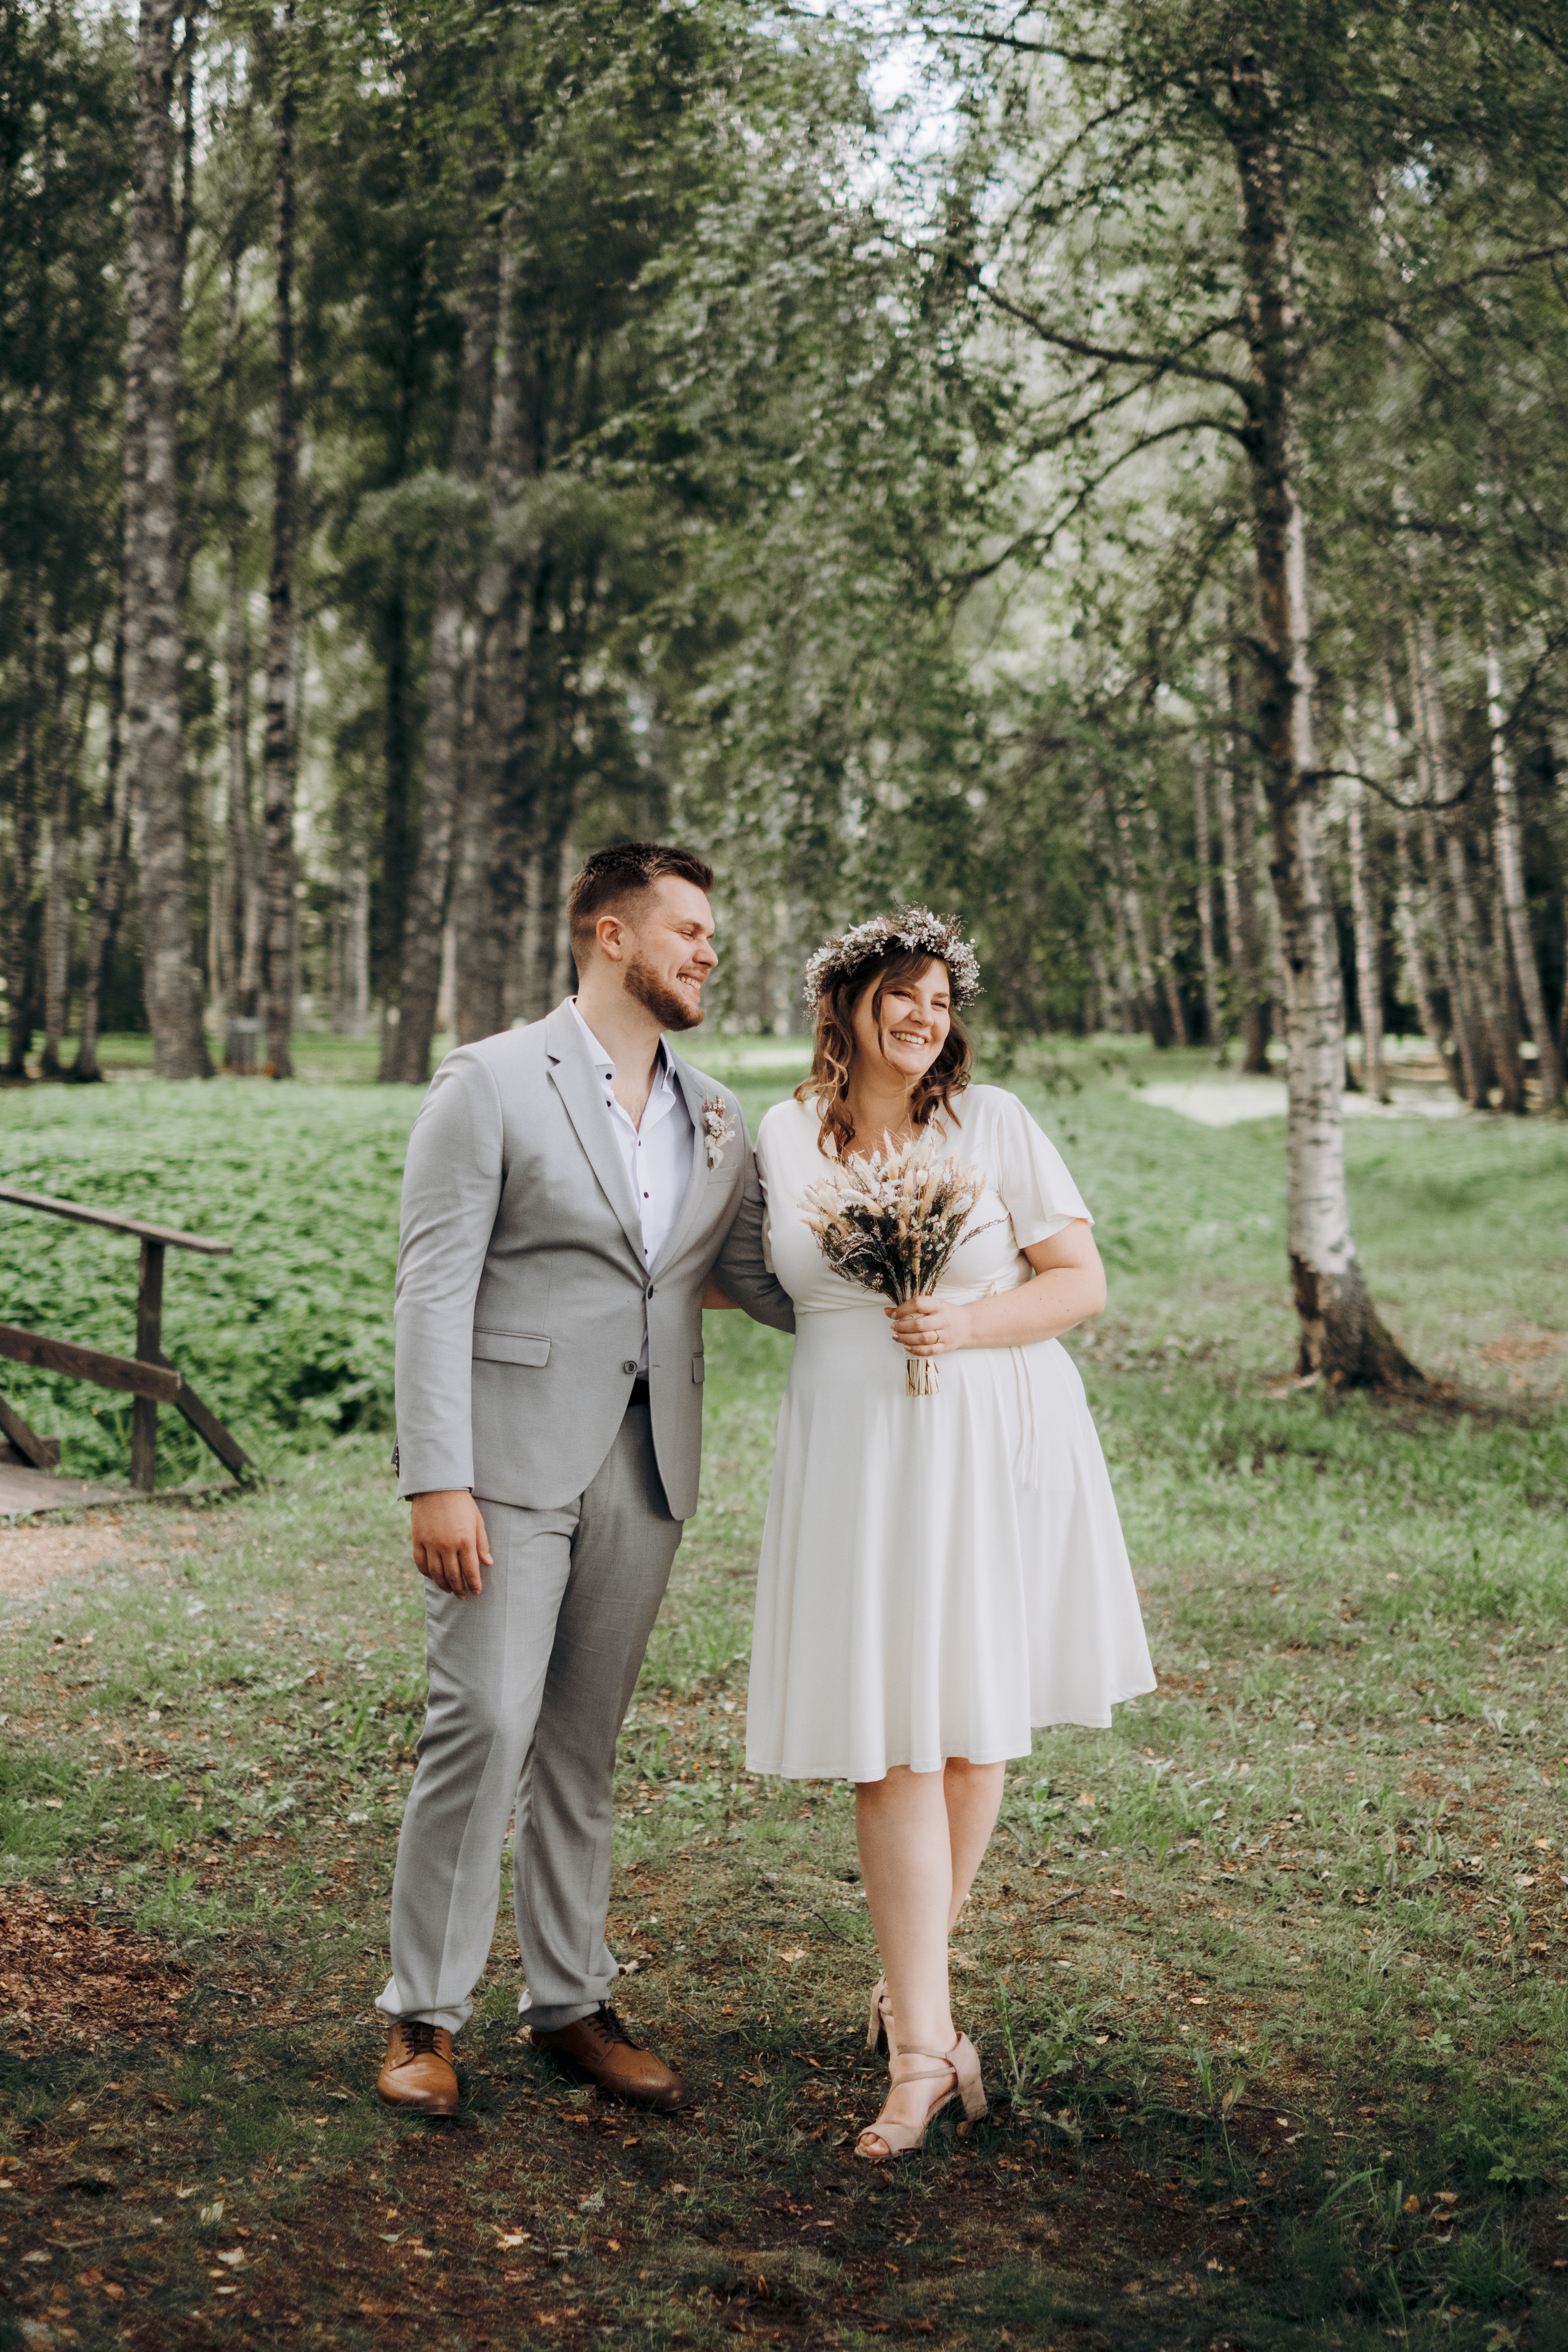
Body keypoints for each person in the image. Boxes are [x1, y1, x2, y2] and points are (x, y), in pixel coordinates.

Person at [727, 909, 1153, 2159]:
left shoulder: (995, 1121)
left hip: (989, 1431)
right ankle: (924, 2051)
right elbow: (754, 1278)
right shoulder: (782, 1132)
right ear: (845, 1001)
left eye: (940, 1000)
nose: (923, 1019)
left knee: (968, 1731)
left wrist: (961, 1327)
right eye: (900, 995)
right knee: (888, 1742)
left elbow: (1078, 1283)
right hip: (853, 1446)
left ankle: (912, 1996)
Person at [376, 842, 794, 2117]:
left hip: (647, 1461)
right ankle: (419, 2019)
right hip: (501, 1462)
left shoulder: (715, 1110)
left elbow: (757, 1282)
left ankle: (568, 2001)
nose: (706, 952)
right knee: (485, 1722)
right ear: (608, 935)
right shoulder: (490, 1082)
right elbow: (433, 1285)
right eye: (685, 931)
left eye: (711, 935)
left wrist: (907, 1270)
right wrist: (433, 1476)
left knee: (579, 1742)